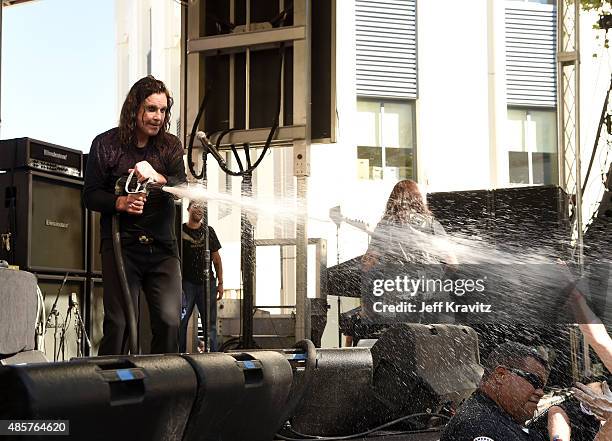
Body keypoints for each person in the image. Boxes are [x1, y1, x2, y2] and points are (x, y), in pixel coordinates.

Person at [83, 75, 186, 355]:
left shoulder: (170, 146)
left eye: (163, 110)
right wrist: (121, 203)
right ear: (134, 109)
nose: (158, 117)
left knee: (169, 320)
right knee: (119, 324)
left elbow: (183, 186)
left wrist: (159, 177)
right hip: (121, 248)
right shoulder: (106, 144)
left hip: (163, 248)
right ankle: (109, 390)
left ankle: (163, 388)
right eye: (151, 109)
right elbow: (90, 194)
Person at [440, 342, 549, 441]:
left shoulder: (491, 415)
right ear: (500, 375)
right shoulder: (480, 427)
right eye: (535, 381)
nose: (541, 393)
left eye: (542, 387)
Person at [179, 201, 224, 352]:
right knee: (181, 321)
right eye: (196, 206)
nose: (199, 210)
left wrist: (220, 283)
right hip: (186, 284)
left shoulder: (208, 231)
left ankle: (212, 357)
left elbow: (216, 259)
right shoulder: (180, 231)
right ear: (188, 209)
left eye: (202, 208)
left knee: (209, 324)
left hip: (207, 284)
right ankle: (178, 356)